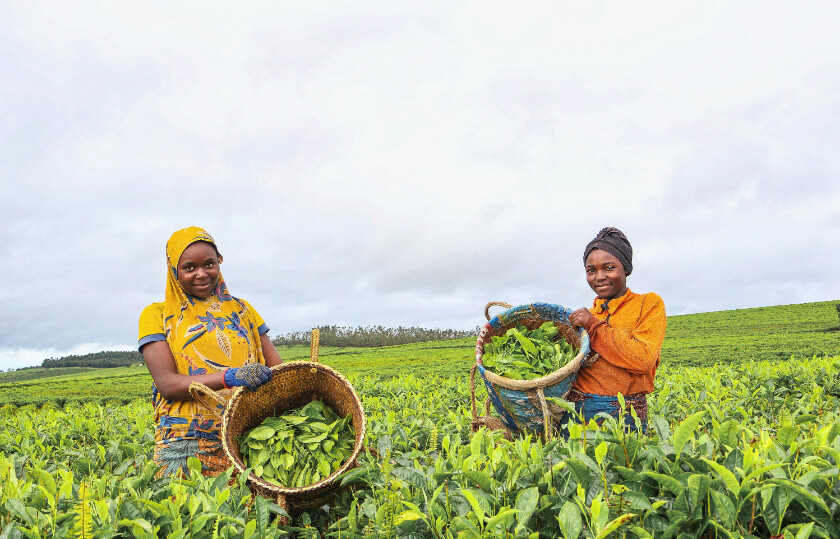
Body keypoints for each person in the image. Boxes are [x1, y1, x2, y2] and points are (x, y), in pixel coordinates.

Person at [138, 226, 283, 477]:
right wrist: (229, 377)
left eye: (209, 264)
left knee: (244, 512)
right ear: (174, 271)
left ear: (220, 262)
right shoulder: (157, 316)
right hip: (186, 445)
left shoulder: (243, 310)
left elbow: (278, 372)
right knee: (186, 513)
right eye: (189, 268)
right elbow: (167, 384)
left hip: (247, 438)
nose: (202, 274)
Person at [567, 227, 666, 433]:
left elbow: (643, 359)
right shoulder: (588, 316)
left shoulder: (648, 304)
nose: (599, 277)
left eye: (609, 267)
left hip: (624, 414)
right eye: (591, 270)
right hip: (576, 413)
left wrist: (594, 326)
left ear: (626, 268)